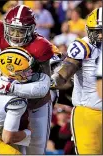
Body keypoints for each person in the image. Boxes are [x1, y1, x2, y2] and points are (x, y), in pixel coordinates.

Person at [0, 5, 57, 154]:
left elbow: (44, 85)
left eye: (21, 31)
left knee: (35, 149)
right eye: (12, 29)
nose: (15, 35)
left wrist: (21, 85)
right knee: (8, 146)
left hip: (33, 103)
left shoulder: (39, 47)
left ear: (31, 30)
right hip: (4, 103)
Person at [51, 7, 102, 154]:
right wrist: (56, 79)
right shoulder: (84, 45)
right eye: (96, 31)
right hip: (89, 113)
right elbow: (68, 68)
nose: (99, 36)